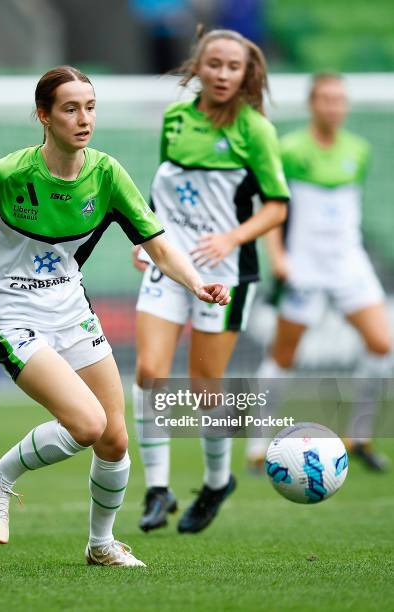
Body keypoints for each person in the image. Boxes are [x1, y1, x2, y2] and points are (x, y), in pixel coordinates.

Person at [0, 65, 231, 568]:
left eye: (89, 107)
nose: (83, 119)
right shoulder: (9, 175)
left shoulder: (106, 174)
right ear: (44, 116)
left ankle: (101, 544)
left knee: (114, 437)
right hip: (12, 314)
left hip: (71, 312)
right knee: (87, 424)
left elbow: (157, 244)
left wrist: (196, 283)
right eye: (70, 108)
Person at [131, 28, 289, 534]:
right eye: (214, 63)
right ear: (197, 66)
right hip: (171, 264)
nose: (222, 73)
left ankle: (218, 481)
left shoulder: (256, 130)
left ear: (247, 74)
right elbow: (165, 183)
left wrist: (230, 238)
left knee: (205, 386)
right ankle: (157, 489)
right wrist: (147, 237)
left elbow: (277, 206)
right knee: (149, 373)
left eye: (232, 67)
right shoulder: (176, 118)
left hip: (225, 272)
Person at [246, 73, 392, 472]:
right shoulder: (290, 149)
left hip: (348, 263)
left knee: (383, 344)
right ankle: (257, 447)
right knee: (284, 354)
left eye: (339, 99)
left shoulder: (358, 151)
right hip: (304, 267)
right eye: (326, 99)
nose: (333, 106)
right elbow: (272, 207)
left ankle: (358, 437)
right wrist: (277, 256)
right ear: (312, 104)